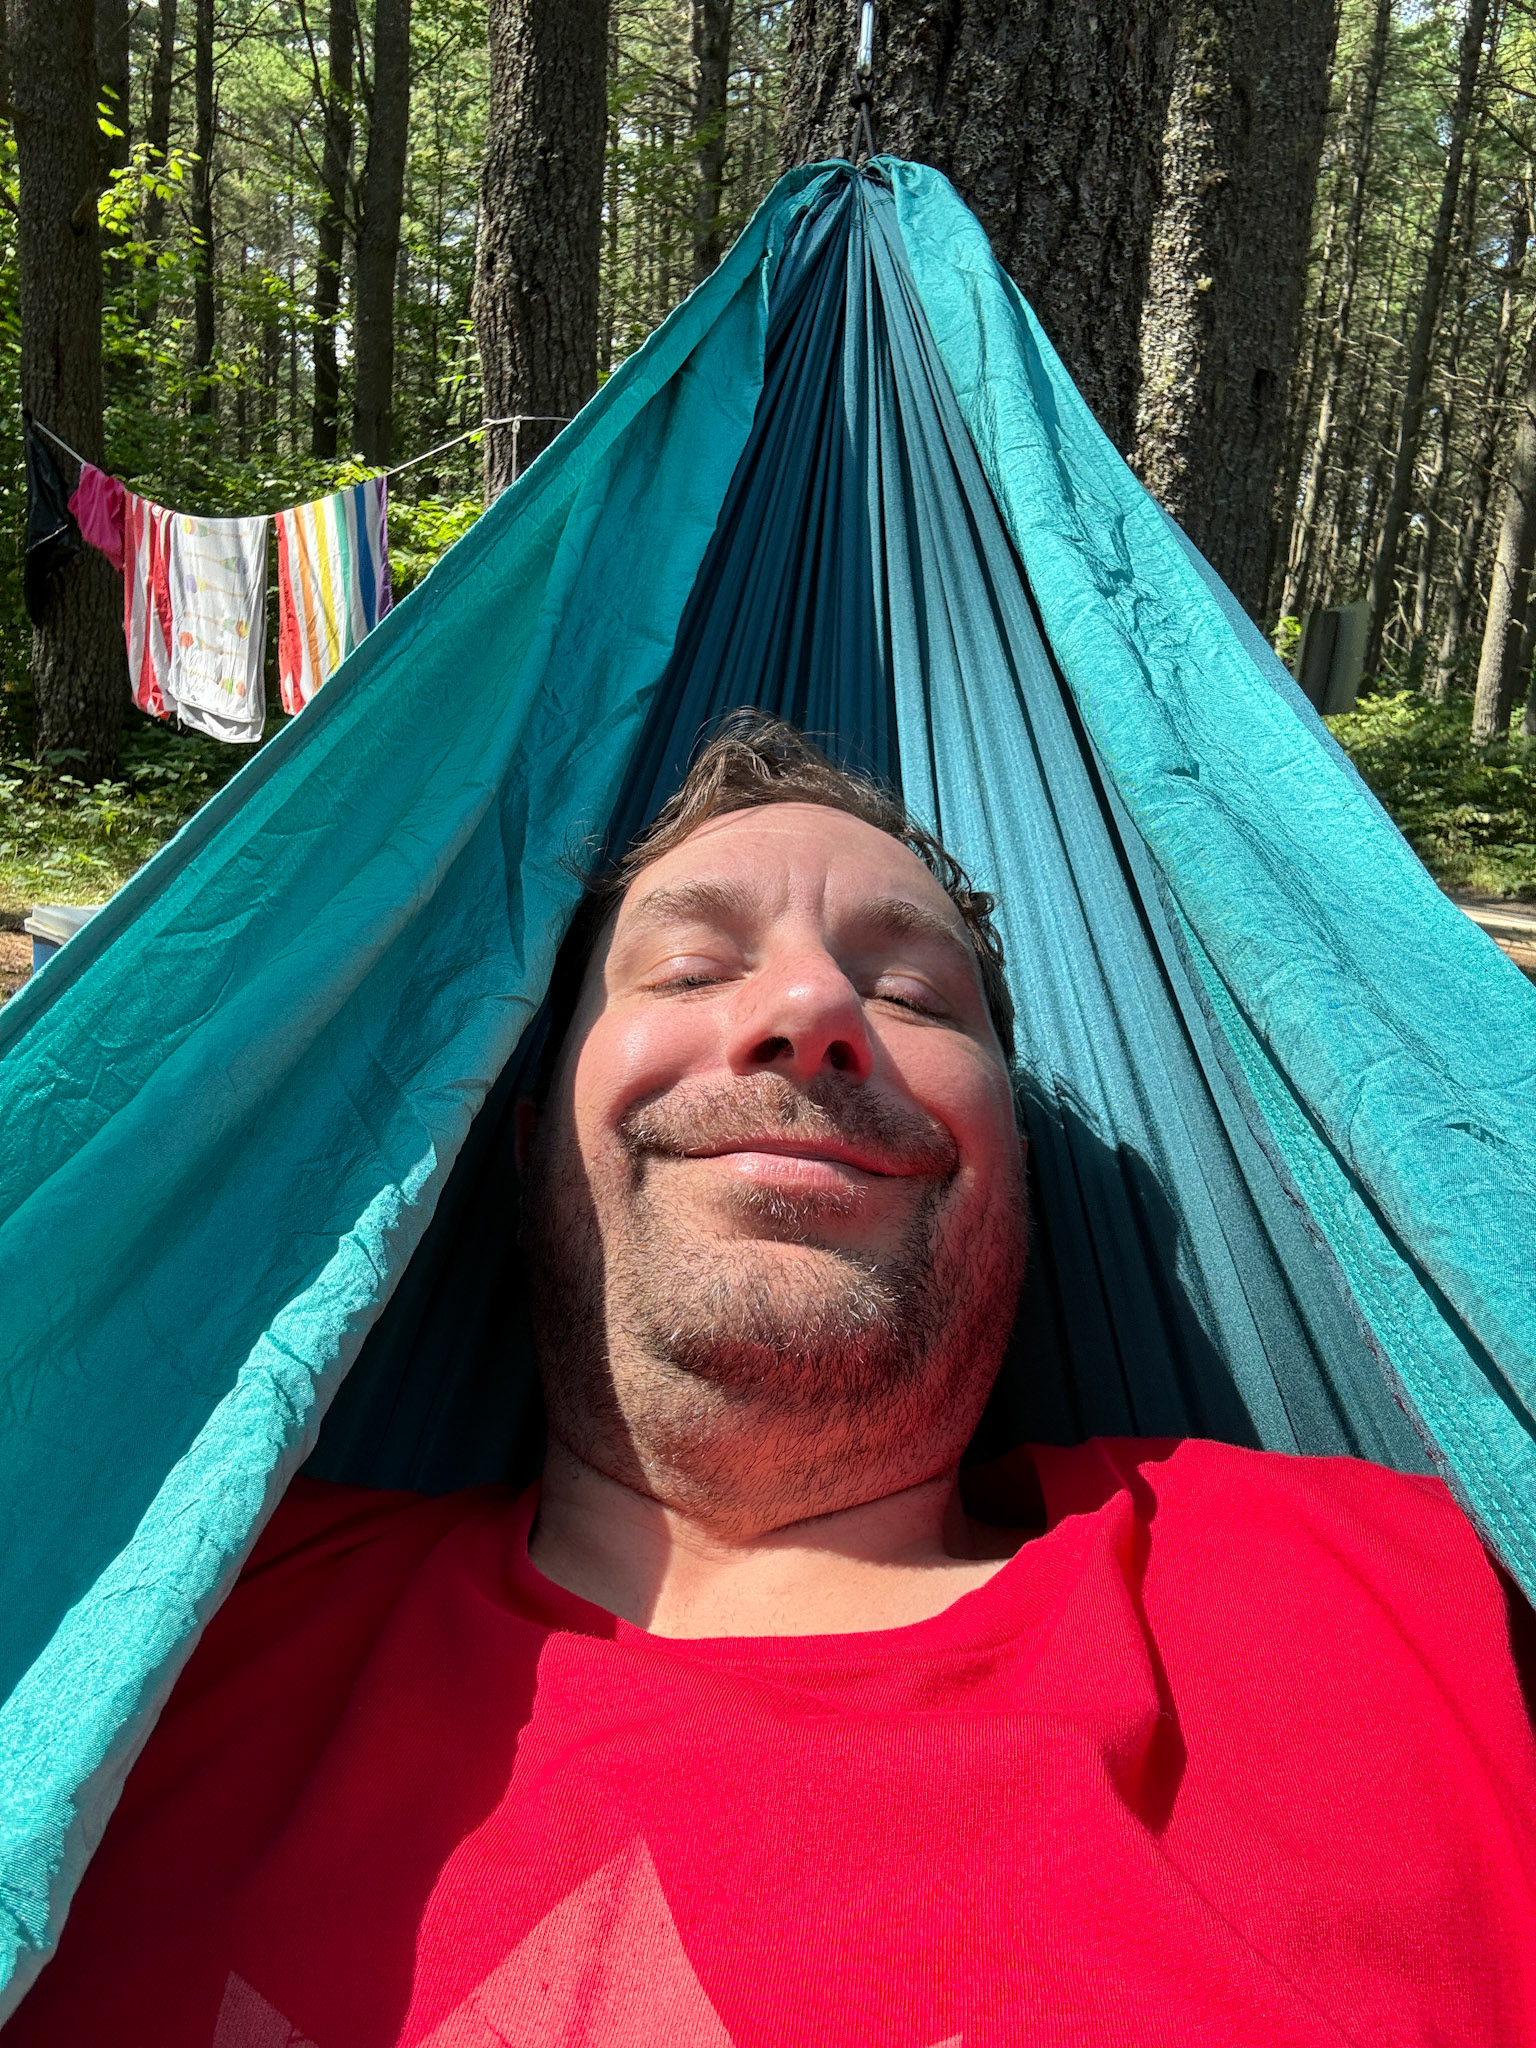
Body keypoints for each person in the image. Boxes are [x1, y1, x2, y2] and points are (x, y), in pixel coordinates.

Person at [9, 714, 1536, 2048]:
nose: (812, 1018)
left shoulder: (1370, 1594)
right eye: (689, 965)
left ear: (1019, 1166)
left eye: (921, 998)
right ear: (528, 1133)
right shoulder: (144, 1624)